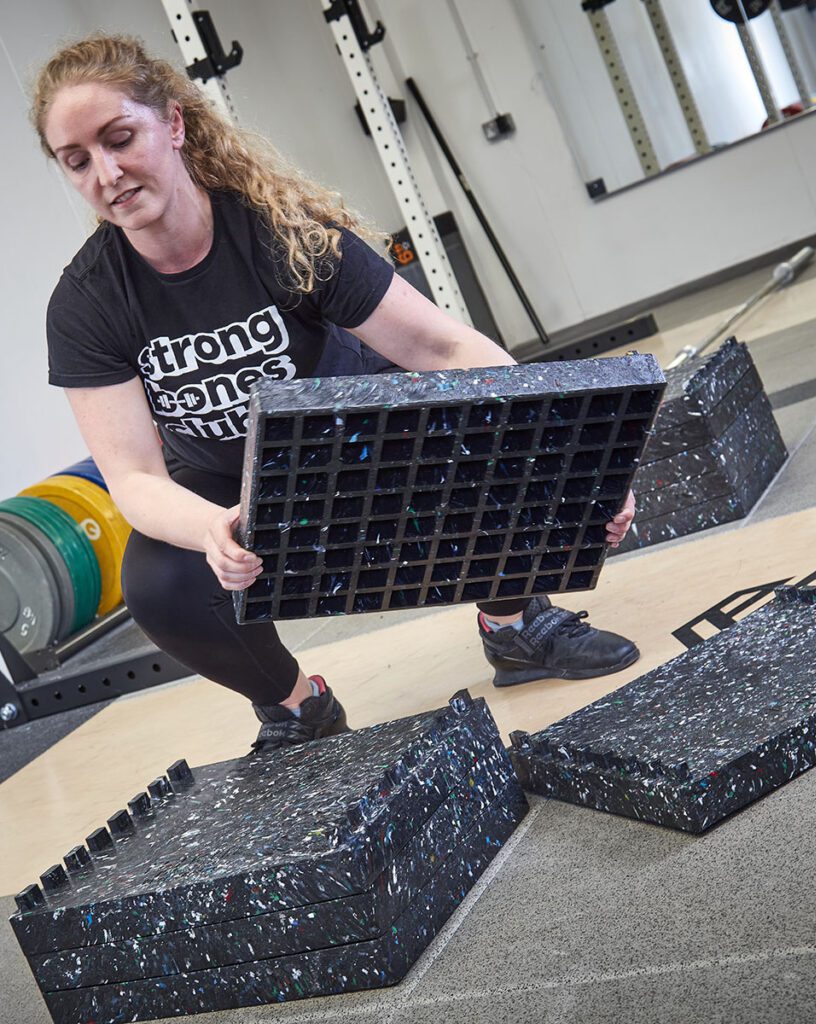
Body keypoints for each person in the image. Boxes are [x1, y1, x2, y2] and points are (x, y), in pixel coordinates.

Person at [32, 34, 641, 754]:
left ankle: (513, 627)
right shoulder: (86, 302)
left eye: (120, 138)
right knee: (159, 582)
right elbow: (132, 475)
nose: (106, 171)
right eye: (78, 161)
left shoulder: (280, 232)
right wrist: (207, 530)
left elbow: (442, 348)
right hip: (228, 482)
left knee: (490, 437)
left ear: (173, 123)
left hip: (357, 438)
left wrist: (574, 449)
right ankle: (297, 707)